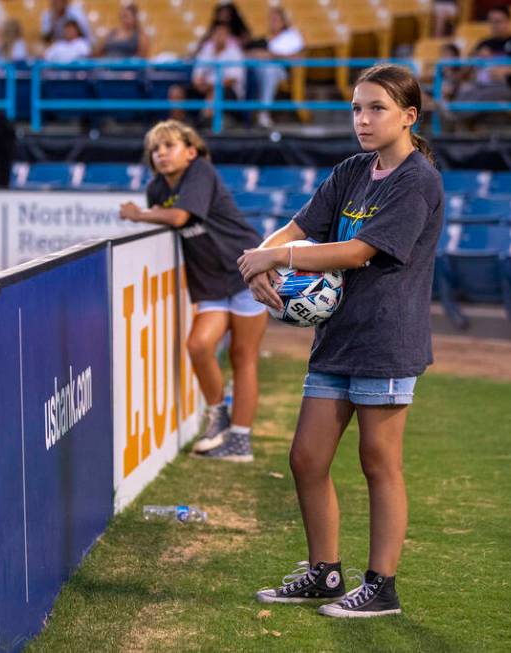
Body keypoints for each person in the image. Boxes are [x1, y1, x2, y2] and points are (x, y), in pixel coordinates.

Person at [237, 63, 443, 617]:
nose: (363, 119)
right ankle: (324, 573)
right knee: (306, 457)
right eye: (356, 107)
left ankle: (382, 586)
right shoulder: (352, 170)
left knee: (379, 461)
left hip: (386, 340)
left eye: (376, 108)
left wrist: (276, 257)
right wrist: (262, 260)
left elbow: (356, 252)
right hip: (337, 338)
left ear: (408, 116)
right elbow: (299, 226)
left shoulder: (418, 180)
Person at [118, 120, 268, 462]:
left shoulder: (201, 171)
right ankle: (218, 417)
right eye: (155, 149)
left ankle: (240, 442)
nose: (161, 154)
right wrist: (148, 211)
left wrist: (138, 215)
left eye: (169, 146)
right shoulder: (157, 188)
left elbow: (179, 217)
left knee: (242, 358)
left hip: (246, 270)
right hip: (210, 281)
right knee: (199, 345)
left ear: (190, 151)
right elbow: (169, 215)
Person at [168, 22, 244, 126]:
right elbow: (197, 75)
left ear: (228, 36)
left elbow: (233, 79)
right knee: (176, 91)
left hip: (227, 91)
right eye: (217, 33)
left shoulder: (234, 52)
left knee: (215, 92)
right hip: (205, 88)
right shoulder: (206, 50)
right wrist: (199, 84)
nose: (219, 36)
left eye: (223, 34)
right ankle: (178, 125)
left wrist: (212, 86)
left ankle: (206, 125)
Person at [250, 7, 303, 128]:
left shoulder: (292, 36)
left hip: (283, 71)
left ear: (283, 21)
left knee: (270, 70)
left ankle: (264, 112)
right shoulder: (263, 39)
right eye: (271, 19)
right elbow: (250, 53)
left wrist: (271, 55)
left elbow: (297, 56)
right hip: (259, 69)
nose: (272, 22)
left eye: (276, 19)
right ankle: (242, 111)